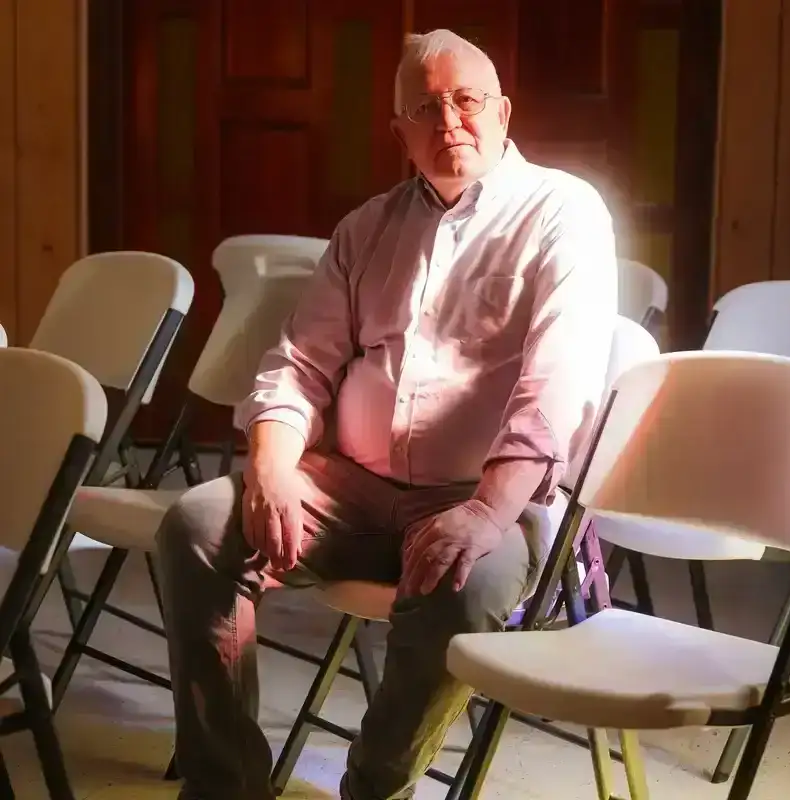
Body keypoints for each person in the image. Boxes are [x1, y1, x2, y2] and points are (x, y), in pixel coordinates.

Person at [157, 28, 617, 800]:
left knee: (465, 582)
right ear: (398, 131)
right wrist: (269, 468)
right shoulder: (366, 227)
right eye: (424, 109)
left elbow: (556, 387)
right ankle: (228, 785)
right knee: (199, 526)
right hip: (355, 489)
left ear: (502, 111)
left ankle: (377, 787)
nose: (449, 125)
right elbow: (298, 365)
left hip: (486, 496)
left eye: (466, 102)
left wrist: (485, 513)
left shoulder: (562, 213)